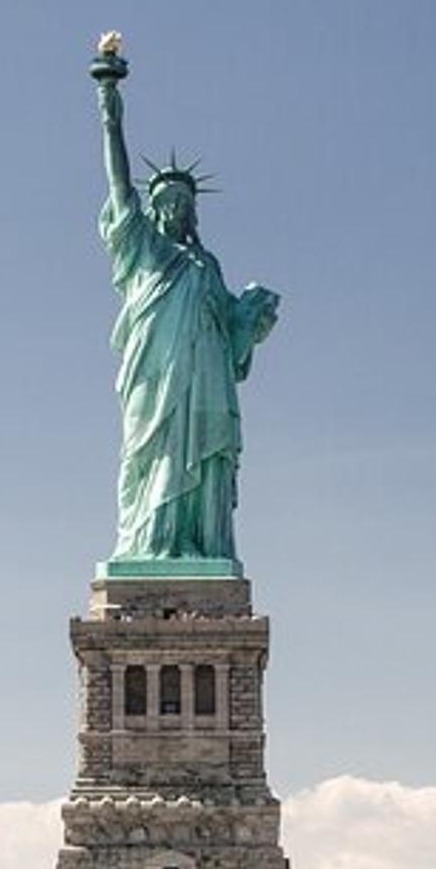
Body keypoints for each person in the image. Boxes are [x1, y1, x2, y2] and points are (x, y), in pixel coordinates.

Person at [93, 40, 279, 563]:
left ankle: (200, 544)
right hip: (157, 377)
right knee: (153, 456)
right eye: (165, 202)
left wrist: (251, 321)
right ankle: (152, 545)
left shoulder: (208, 267)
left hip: (206, 380)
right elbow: (118, 185)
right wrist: (110, 109)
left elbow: (233, 345)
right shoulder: (144, 252)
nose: (174, 210)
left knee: (204, 459)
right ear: (151, 211)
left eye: (182, 203)